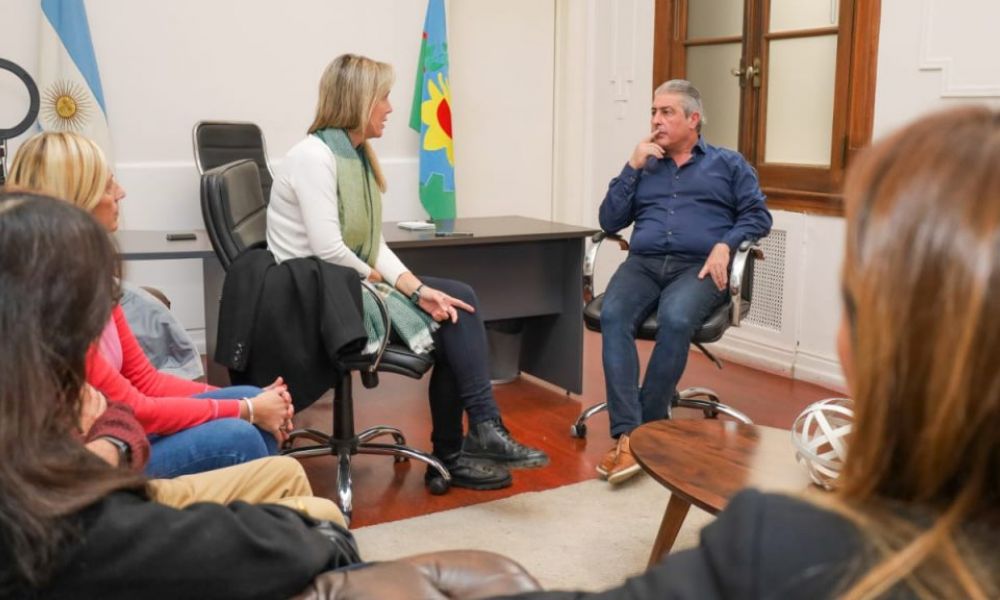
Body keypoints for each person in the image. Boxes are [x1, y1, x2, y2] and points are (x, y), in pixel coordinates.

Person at [0, 192, 360, 599]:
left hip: (98, 474)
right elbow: (126, 415)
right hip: (96, 491)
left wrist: (244, 401)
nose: (119, 192)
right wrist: (242, 410)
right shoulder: (42, 514)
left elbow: (133, 396)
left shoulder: (31, 377)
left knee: (280, 460)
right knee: (309, 509)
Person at [266, 53, 548, 491]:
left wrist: (415, 289)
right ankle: (460, 448)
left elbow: (372, 243)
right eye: (384, 97)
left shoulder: (355, 158)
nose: (391, 108)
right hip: (319, 300)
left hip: (345, 284)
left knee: (457, 303)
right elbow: (329, 250)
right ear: (359, 101)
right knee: (454, 319)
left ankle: (473, 437)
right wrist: (400, 291)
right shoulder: (313, 157)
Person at [7, 131, 293, 478]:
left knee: (250, 405)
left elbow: (147, 381)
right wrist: (246, 409)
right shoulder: (51, 302)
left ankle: (255, 522)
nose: (120, 193)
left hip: (121, 429)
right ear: (75, 201)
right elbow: (138, 409)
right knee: (239, 437)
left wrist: (251, 401)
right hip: (85, 463)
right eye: (108, 184)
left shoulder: (89, 278)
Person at [596, 80, 772, 483]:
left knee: (676, 318)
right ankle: (628, 434)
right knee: (614, 314)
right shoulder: (645, 164)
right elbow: (609, 221)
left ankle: (650, 426)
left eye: (667, 112)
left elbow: (758, 217)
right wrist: (631, 166)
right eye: (653, 113)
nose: (656, 121)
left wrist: (726, 245)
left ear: (694, 119)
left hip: (699, 267)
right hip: (643, 264)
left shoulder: (728, 164)